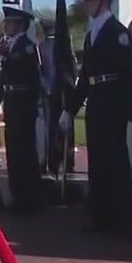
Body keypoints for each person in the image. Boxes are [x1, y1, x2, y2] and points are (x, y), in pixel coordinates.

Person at [58, 0, 132, 237]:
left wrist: (121, 105)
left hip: (112, 103)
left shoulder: (117, 33)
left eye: (90, 0)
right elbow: (85, 78)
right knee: (98, 162)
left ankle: (124, 221)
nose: (86, 4)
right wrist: (70, 109)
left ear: (103, 1)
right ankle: (101, 216)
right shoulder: (92, 34)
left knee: (116, 162)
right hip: (96, 101)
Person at [0, 4, 43, 215]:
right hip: (11, 103)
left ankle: (29, 199)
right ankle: (18, 196)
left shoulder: (26, 47)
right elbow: (2, 83)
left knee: (24, 154)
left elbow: (34, 81)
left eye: (9, 23)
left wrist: (30, 104)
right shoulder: (9, 48)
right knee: (14, 153)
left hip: (23, 105)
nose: (5, 26)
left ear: (19, 25)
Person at [41, 19, 76, 175]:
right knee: (67, 128)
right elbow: (73, 69)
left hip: (50, 94)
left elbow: (39, 72)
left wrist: (46, 88)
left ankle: (53, 162)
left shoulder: (41, 48)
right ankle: (68, 161)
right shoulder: (66, 47)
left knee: (51, 129)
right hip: (65, 92)